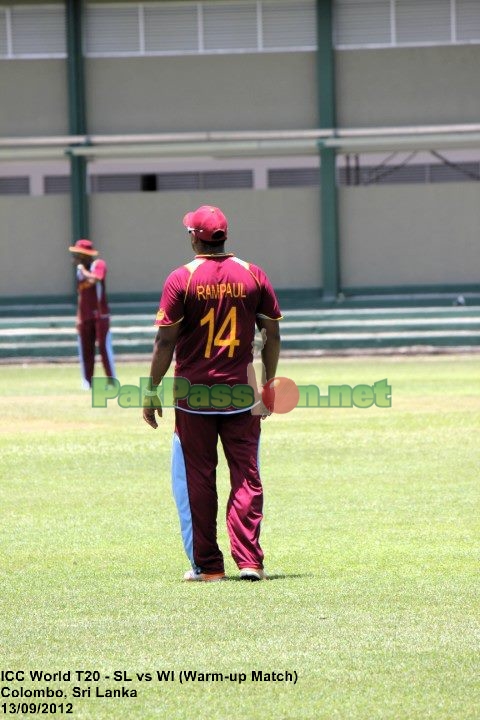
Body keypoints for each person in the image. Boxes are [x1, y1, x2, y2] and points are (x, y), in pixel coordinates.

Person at [143, 205, 282, 582]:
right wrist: (268, 384)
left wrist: (151, 388)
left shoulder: (181, 278)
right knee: (246, 476)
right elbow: (272, 334)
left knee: (198, 481)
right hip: (241, 395)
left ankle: (209, 567)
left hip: (194, 397)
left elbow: (165, 339)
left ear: (194, 236)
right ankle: (250, 561)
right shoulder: (254, 275)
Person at [68, 238, 116, 389]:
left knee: (103, 347)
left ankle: (111, 380)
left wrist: (83, 271)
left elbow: (96, 278)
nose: (75, 258)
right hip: (85, 316)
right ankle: (87, 382)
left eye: (78, 255)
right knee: (85, 349)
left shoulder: (98, 265)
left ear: (85, 255)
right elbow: (81, 294)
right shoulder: (79, 272)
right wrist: (78, 317)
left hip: (100, 316)